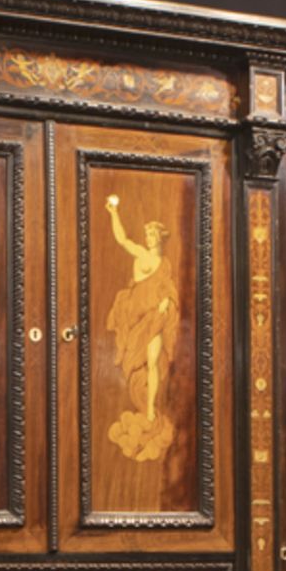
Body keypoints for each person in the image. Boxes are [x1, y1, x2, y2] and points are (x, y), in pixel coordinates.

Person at [103, 193, 181, 461]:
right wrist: (114, 213)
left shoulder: (164, 264)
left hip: (152, 319)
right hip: (132, 316)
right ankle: (140, 404)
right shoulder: (140, 253)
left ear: (159, 239)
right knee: (132, 363)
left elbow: (169, 290)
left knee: (153, 362)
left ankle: (149, 409)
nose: (147, 239)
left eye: (151, 236)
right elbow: (122, 239)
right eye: (146, 235)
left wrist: (167, 302)